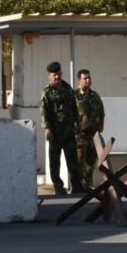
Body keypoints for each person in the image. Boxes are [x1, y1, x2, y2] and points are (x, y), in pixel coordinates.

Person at [40, 61, 84, 195]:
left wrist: (77, 124)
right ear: (49, 76)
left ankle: (77, 186)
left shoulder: (68, 88)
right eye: (54, 75)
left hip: (68, 131)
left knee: (73, 161)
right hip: (55, 133)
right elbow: (44, 112)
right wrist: (47, 129)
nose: (57, 77)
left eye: (59, 74)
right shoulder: (46, 92)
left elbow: (73, 107)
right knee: (54, 162)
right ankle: (59, 187)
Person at [74, 69, 105, 189]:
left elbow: (101, 112)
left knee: (91, 162)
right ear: (79, 80)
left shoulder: (95, 95)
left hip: (93, 133)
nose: (88, 80)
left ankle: (88, 184)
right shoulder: (74, 95)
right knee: (79, 162)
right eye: (85, 78)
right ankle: (78, 186)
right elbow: (69, 114)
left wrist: (101, 125)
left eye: (89, 78)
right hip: (80, 134)